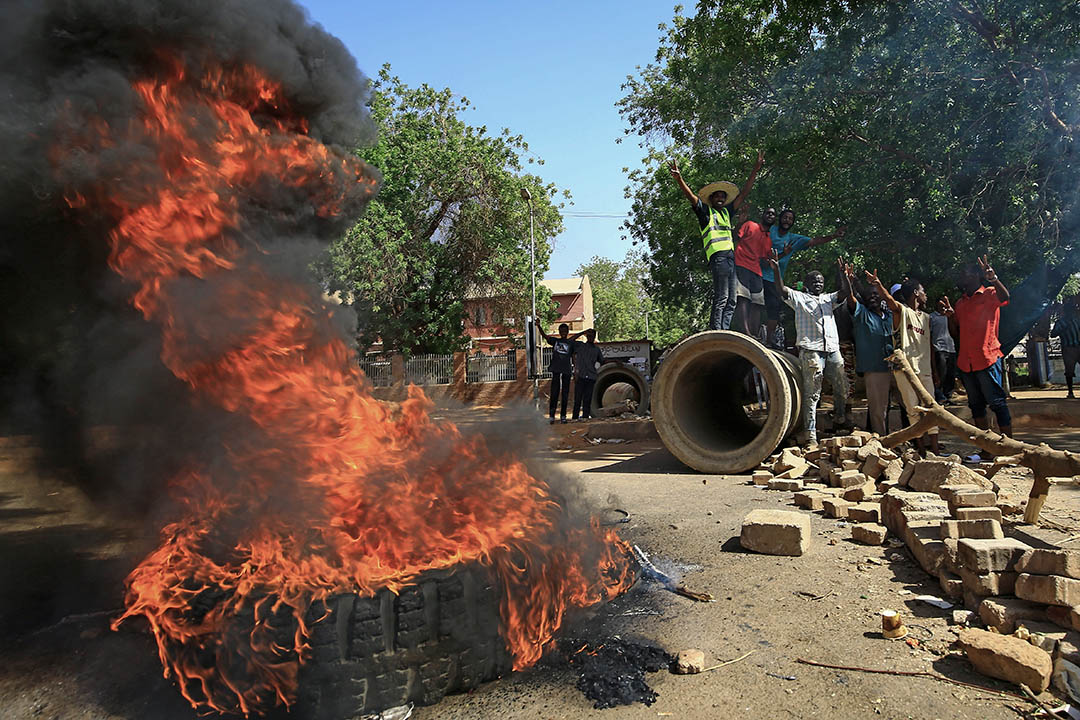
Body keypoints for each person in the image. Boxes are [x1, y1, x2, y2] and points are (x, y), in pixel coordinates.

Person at [669, 151, 764, 330]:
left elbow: (743, 194)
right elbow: (691, 197)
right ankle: (716, 330)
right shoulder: (706, 213)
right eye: (717, 196)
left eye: (723, 196)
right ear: (711, 200)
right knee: (722, 296)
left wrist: (755, 169)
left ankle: (725, 330)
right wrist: (679, 179)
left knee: (732, 299)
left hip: (730, 258)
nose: (720, 198)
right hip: (718, 258)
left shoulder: (727, 213)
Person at [767, 250, 848, 446]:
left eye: (820, 281)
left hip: (832, 349)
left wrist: (843, 275)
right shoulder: (800, 298)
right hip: (811, 350)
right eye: (814, 281)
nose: (818, 284)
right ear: (808, 284)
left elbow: (845, 293)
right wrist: (777, 270)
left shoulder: (829, 299)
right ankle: (810, 434)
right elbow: (782, 290)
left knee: (842, 386)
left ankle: (840, 418)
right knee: (812, 393)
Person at [941, 255, 1012, 462]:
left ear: (975, 276)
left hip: (987, 357)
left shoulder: (990, 293)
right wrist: (950, 318)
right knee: (976, 407)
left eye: (965, 274)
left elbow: (1006, 297)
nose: (961, 278)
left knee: (997, 403)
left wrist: (993, 278)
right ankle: (986, 448)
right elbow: (956, 334)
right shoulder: (960, 303)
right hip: (967, 362)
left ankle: (1008, 447)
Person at [865, 272, 941, 455]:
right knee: (913, 410)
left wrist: (935, 370)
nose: (926, 294)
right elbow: (890, 300)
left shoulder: (926, 318)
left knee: (932, 410)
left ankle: (936, 450)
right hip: (905, 370)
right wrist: (878, 285)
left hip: (924, 370)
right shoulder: (901, 311)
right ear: (916, 293)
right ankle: (921, 451)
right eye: (923, 291)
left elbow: (929, 345)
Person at [761, 209, 846, 347]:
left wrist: (834, 236)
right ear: (779, 219)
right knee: (756, 304)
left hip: (774, 279)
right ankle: (751, 333)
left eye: (790, 218)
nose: (787, 220)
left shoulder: (793, 239)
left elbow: (814, 241)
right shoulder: (771, 231)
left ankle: (769, 340)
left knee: (774, 309)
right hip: (758, 272)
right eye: (785, 217)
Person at [840, 260, 893, 436]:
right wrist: (848, 280)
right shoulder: (861, 314)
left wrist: (875, 285)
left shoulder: (890, 316)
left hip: (898, 369)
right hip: (875, 368)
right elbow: (851, 297)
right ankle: (883, 443)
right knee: (879, 411)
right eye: (869, 295)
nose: (872, 297)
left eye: (876, 294)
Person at [733, 205, 776, 336]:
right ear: (762, 215)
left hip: (756, 270)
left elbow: (764, 260)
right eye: (768, 213)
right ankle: (745, 332)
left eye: (773, 214)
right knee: (743, 298)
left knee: (758, 302)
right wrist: (740, 221)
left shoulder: (768, 239)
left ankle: (754, 334)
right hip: (741, 264)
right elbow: (735, 236)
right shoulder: (750, 225)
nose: (770, 216)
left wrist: (773, 260)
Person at [541, 323, 584, 423]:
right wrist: (539, 326)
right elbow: (545, 336)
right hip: (556, 370)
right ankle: (552, 416)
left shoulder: (571, 343)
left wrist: (575, 370)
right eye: (562, 331)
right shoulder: (556, 341)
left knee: (565, 394)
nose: (563, 333)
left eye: (565, 331)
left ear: (567, 332)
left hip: (567, 371)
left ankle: (563, 416)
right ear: (559, 332)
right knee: (554, 393)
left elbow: (573, 356)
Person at [571, 328, 606, 420]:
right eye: (589, 335)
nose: (590, 337)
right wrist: (582, 332)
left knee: (587, 398)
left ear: (594, 337)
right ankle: (575, 417)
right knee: (578, 398)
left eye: (592, 336)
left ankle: (585, 416)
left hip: (591, 377)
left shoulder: (596, 350)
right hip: (580, 376)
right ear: (586, 336)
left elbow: (602, 361)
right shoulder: (580, 346)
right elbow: (570, 340)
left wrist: (614, 361)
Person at [1052, 293, 1080, 398]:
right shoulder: (1061, 322)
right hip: (1068, 348)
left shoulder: (1076, 320)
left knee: (1069, 371)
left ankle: (1071, 392)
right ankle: (1070, 392)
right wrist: (1063, 328)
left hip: (1075, 347)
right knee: (1069, 371)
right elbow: (1053, 334)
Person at [930, 301, 957, 404]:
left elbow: (955, 331)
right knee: (941, 374)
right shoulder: (932, 317)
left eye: (944, 305)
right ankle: (939, 397)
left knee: (950, 374)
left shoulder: (949, 316)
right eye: (940, 304)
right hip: (939, 348)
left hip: (951, 348)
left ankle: (948, 396)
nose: (943, 307)